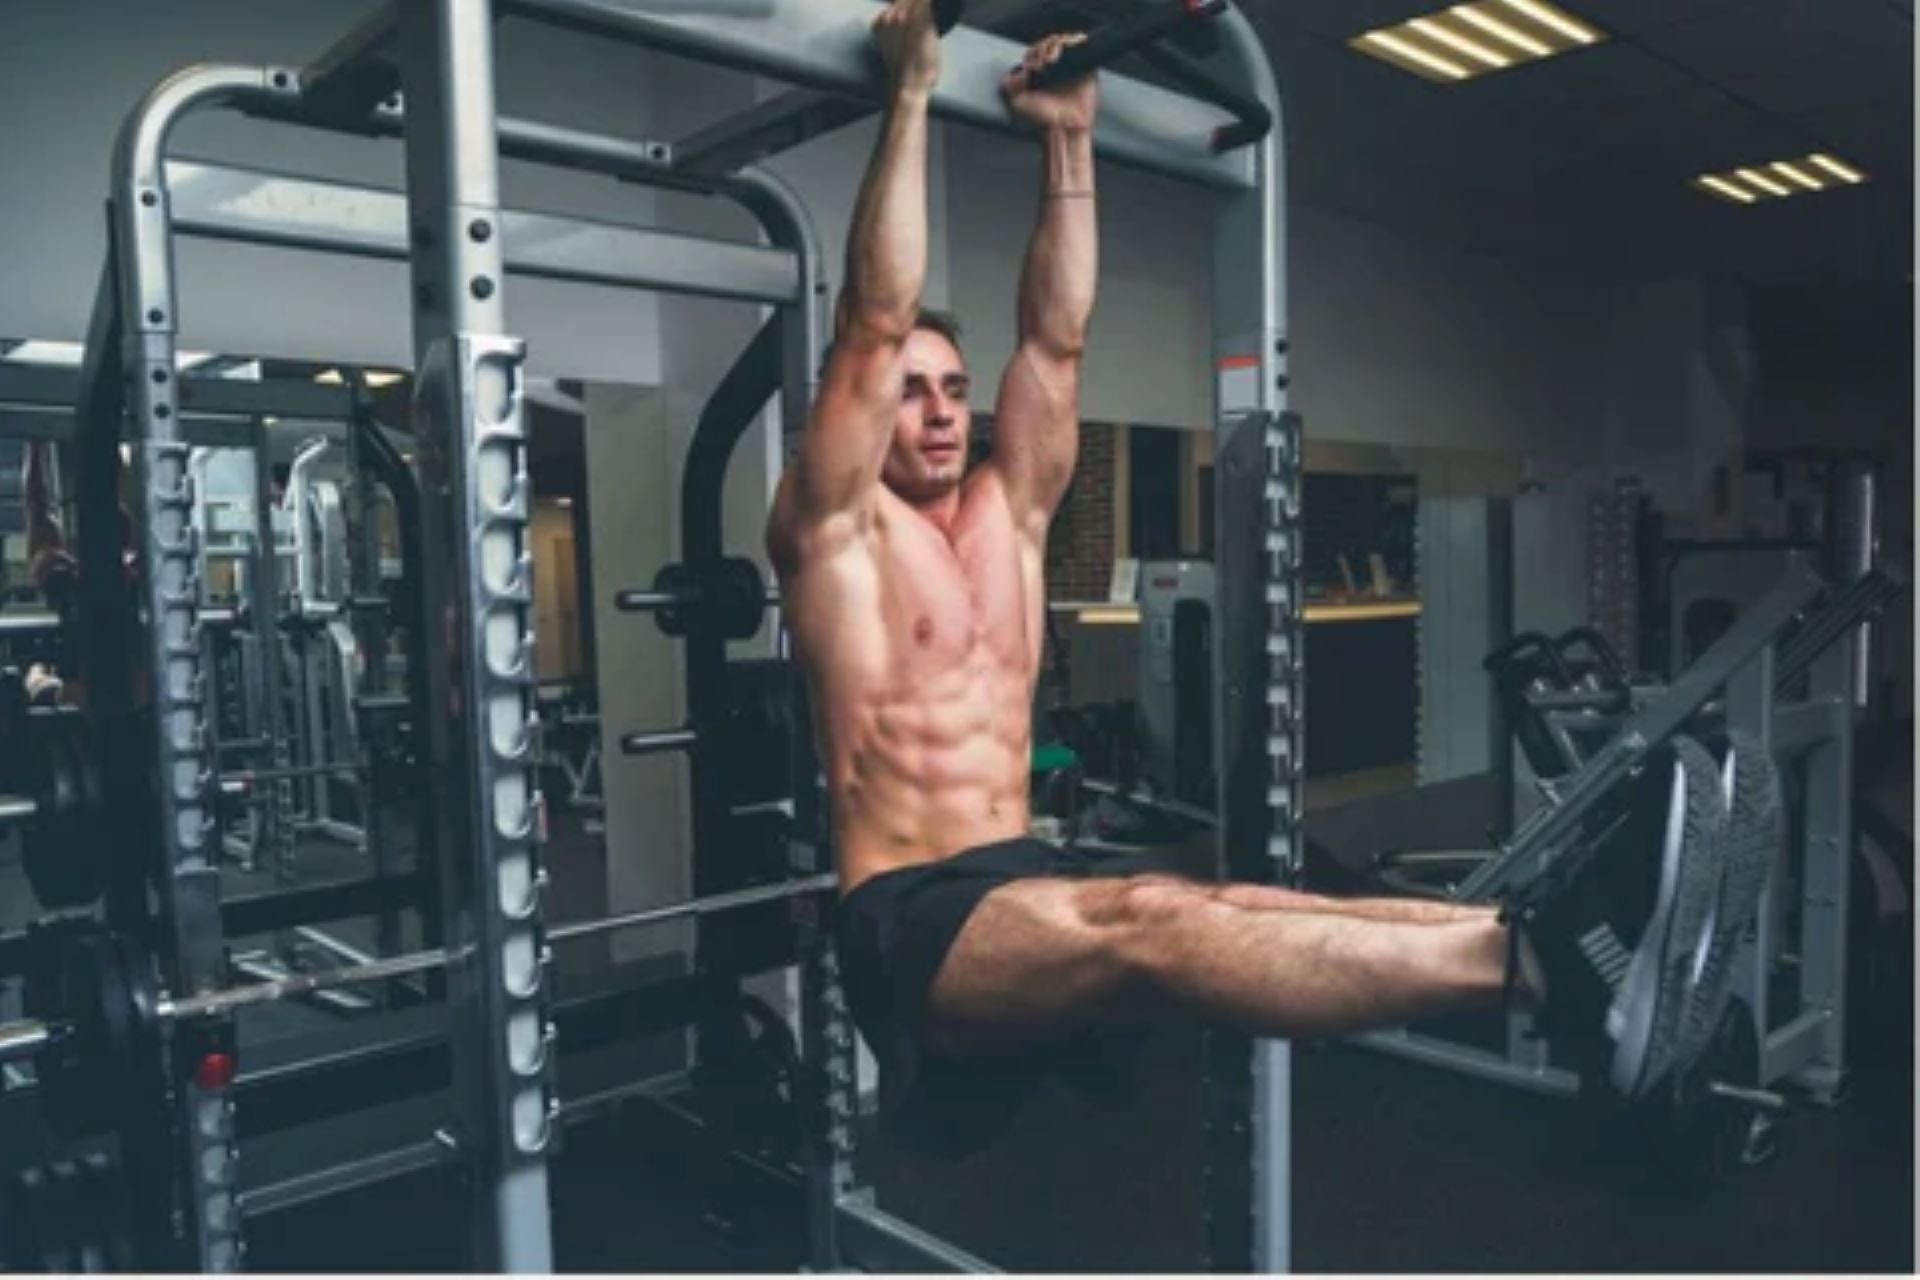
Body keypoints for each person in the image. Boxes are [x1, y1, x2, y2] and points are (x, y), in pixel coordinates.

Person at [766, 0, 1738, 1150]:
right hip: (911, 917)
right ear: (870, 406)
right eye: (912, 390)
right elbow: (873, 326)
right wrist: (912, 92)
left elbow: (1055, 342)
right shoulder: (834, 527)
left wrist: (1070, 139)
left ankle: (1581, 965)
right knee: (1158, 914)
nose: (936, 410)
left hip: (1017, 869)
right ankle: (1557, 964)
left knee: (1244, 898)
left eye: (951, 387)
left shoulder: (1007, 508)